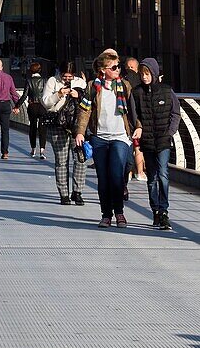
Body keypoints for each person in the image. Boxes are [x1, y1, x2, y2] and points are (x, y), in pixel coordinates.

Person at [75, 50, 139, 229]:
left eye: (119, 66)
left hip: (120, 137)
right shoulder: (92, 87)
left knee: (117, 176)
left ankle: (119, 212)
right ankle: (106, 215)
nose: (118, 69)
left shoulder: (125, 86)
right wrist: (80, 131)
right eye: (114, 67)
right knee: (103, 178)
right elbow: (84, 110)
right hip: (100, 138)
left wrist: (139, 127)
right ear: (103, 70)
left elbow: (134, 110)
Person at [131, 58, 181, 230]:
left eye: (147, 74)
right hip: (147, 140)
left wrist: (170, 132)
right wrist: (138, 129)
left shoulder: (167, 92)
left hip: (163, 140)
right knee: (151, 178)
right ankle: (156, 211)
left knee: (163, 174)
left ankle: (164, 210)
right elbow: (134, 115)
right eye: (142, 74)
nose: (144, 77)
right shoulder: (137, 93)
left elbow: (176, 113)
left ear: (154, 73)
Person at [42, 61, 87, 204]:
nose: (67, 79)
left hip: (76, 125)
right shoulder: (52, 81)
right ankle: (64, 194)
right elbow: (46, 102)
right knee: (61, 161)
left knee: (80, 159)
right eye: (64, 76)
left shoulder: (80, 82)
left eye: (70, 77)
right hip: (58, 124)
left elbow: (87, 103)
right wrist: (58, 94)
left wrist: (78, 95)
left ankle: (77, 191)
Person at [121, 56, 146, 183]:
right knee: (137, 147)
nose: (130, 70)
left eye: (132, 67)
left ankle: (131, 171)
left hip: (131, 120)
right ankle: (139, 172)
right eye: (128, 67)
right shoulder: (136, 84)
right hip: (132, 120)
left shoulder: (124, 82)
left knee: (134, 146)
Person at [20, 61, 48, 159]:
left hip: (32, 106)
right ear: (40, 70)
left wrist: (17, 105)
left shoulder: (28, 80)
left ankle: (33, 149)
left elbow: (24, 95)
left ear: (30, 70)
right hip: (42, 106)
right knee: (42, 128)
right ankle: (42, 150)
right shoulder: (44, 80)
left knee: (32, 127)